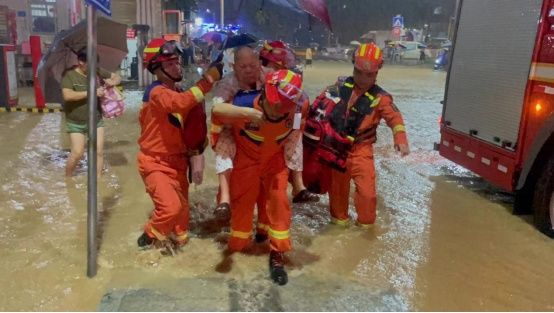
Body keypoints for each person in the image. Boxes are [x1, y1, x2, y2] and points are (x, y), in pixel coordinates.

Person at [212, 69, 308, 285]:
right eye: (275, 104)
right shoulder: (242, 104)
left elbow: (295, 137)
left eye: (283, 106)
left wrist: (297, 179)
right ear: (265, 92)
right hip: (246, 162)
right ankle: (237, 248)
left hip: (275, 162)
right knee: (242, 209)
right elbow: (217, 111)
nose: (277, 110)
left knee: (279, 205)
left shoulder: (298, 109)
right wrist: (247, 114)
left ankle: (277, 255)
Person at [306, 43, 410, 227]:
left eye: (368, 75)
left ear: (377, 73)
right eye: (359, 72)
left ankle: (365, 229)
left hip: (362, 151)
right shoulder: (337, 87)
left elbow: (395, 118)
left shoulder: (381, 98)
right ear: (353, 66)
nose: (362, 78)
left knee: (367, 196)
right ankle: (340, 233)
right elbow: (317, 109)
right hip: (336, 151)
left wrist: (400, 139)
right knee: (338, 204)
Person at [135, 38, 222, 251]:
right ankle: (147, 237)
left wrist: (197, 155)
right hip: (155, 163)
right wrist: (209, 79)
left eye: (177, 62)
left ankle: (176, 248)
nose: (176, 66)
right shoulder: (156, 93)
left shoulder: (178, 89)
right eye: (170, 63)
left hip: (178, 163)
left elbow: (192, 122)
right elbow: (181, 103)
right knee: (171, 208)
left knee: (182, 225)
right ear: (157, 69)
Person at [61, 48, 121, 177]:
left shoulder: (97, 72)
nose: (94, 67)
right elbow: (68, 95)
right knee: (77, 153)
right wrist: (91, 93)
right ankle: (68, 178)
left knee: (99, 151)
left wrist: (113, 81)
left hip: (96, 119)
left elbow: (116, 76)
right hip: (75, 122)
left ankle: (98, 179)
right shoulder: (69, 76)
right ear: (81, 62)